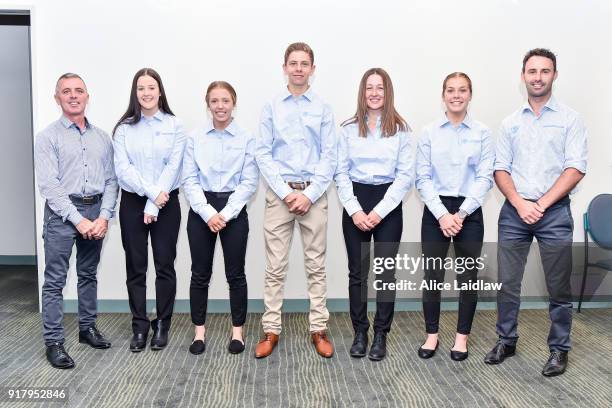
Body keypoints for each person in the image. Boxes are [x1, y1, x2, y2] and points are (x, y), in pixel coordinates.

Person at [485, 48, 587, 377]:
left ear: (554, 75)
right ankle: (506, 340)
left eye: (545, 71)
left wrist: (540, 205)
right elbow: (500, 169)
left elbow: (575, 168)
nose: (538, 77)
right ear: (523, 76)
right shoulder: (510, 123)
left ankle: (559, 349)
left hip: (554, 213)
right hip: (515, 212)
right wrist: (519, 203)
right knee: (507, 284)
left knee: (559, 287)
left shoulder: (570, 119)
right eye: (532, 71)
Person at [254, 42, 337, 358]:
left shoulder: (323, 108)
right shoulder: (272, 107)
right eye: (293, 63)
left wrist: (309, 194)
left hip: (314, 196)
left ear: (312, 69)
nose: (299, 68)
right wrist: (288, 193)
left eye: (305, 63)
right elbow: (263, 152)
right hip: (280, 196)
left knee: (316, 266)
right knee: (275, 266)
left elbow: (330, 155)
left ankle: (318, 328)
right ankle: (271, 329)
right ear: (285, 67)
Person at [35, 73, 118, 369]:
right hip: (61, 215)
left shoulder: (102, 138)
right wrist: (79, 220)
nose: (73, 96)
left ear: (87, 96)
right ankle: (54, 341)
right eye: (66, 92)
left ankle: (87, 329)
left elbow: (111, 181)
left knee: (88, 275)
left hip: (95, 211)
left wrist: (105, 216)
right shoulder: (47, 137)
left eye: (78, 91)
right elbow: (49, 186)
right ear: (57, 98)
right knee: (55, 281)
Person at [334, 68, 413, 361]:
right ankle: (360, 332)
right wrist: (355, 210)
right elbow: (340, 173)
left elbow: (405, 177)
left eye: (380, 87)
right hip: (355, 199)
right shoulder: (348, 128)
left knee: (385, 273)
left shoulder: (401, 130)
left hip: (388, 203)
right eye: (370, 88)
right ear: (362, 92)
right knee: (358, 272)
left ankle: (381, 333)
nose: (375, 93)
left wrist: (378, 212)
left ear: (388, 91)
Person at [415, 72, 494, 361]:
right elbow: (422, 178)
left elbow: (485, 178)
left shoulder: (483, 133)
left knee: (468, 279)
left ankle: (461, 339)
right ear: (443, 95)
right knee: (432, 276)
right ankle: (432, 335)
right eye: (451, 90)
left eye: (462, 90)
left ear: (470, 95)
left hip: (469, 212)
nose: (456, 95)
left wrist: (459, 214)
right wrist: (442, 215)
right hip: (435, 212)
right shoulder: (429, 132)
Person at [182, 81, 258, 355]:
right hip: (202, 208)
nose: (220, 106)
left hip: (233, 210)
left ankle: (237, 331)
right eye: (215, 101)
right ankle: (198, 333)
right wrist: (207, 213)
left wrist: (224, 214)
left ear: (233, 103)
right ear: (208, 104)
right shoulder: (195, 137)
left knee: (235, 274)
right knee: (199, 274)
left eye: (225, 100)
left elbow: (249, 182)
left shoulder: (246, 138)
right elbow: (188, 179)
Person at [113, 68, 186, 352]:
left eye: (151, 87)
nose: (146, 92)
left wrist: (155, 202)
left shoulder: (175, 125)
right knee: (136, 266)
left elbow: (174, 165)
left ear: (160, 90)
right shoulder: (123, 128)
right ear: (135, 92)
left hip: (167, 203)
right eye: (141, 88)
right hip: (133, 203)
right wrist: (151, 195)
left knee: (164, 266)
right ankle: (139, 326)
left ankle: (162, 325)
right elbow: (123, 169)